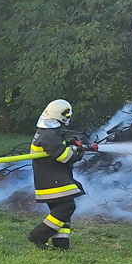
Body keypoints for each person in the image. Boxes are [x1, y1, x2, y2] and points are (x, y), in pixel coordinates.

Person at [27, 99, 95, 250]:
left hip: (51, 178)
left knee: (62, 212)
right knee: (67, 207)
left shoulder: (46, 132)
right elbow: (66, 157)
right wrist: (79, 152)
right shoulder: (49, 136)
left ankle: (62, 244)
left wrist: (71, 143)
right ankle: (38, 235)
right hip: (52, 180)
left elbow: (58, 148)